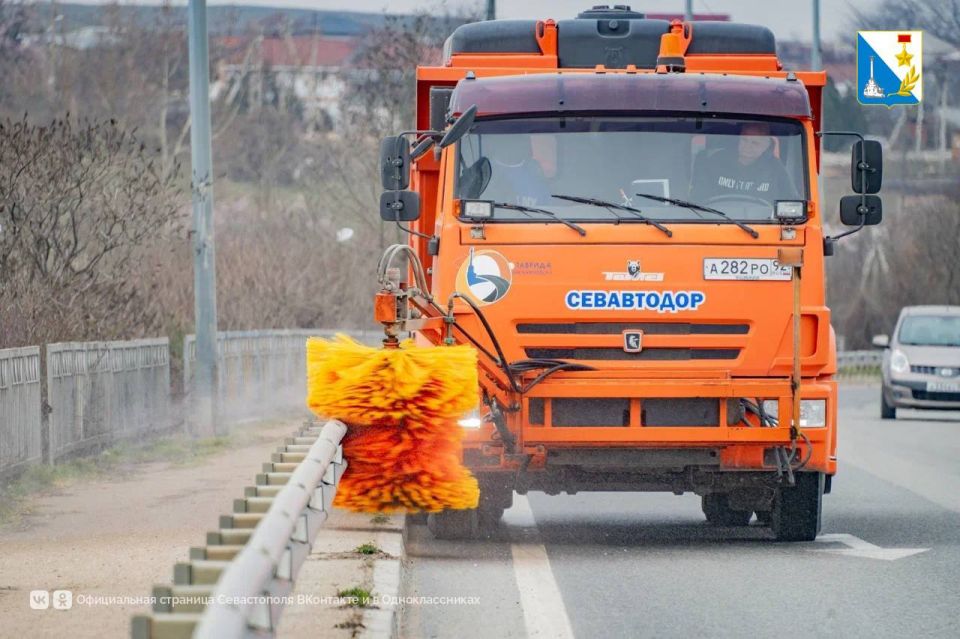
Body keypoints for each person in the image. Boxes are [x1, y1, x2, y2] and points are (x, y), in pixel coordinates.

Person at [690, 122, 797, 205]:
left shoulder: (775, 168)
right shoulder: (715, 162)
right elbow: (698, 197)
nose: (747, 146)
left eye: (755, 143)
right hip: (715, 221)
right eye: (744, 140)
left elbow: (791, 201)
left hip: (762, 223)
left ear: (765, 146)